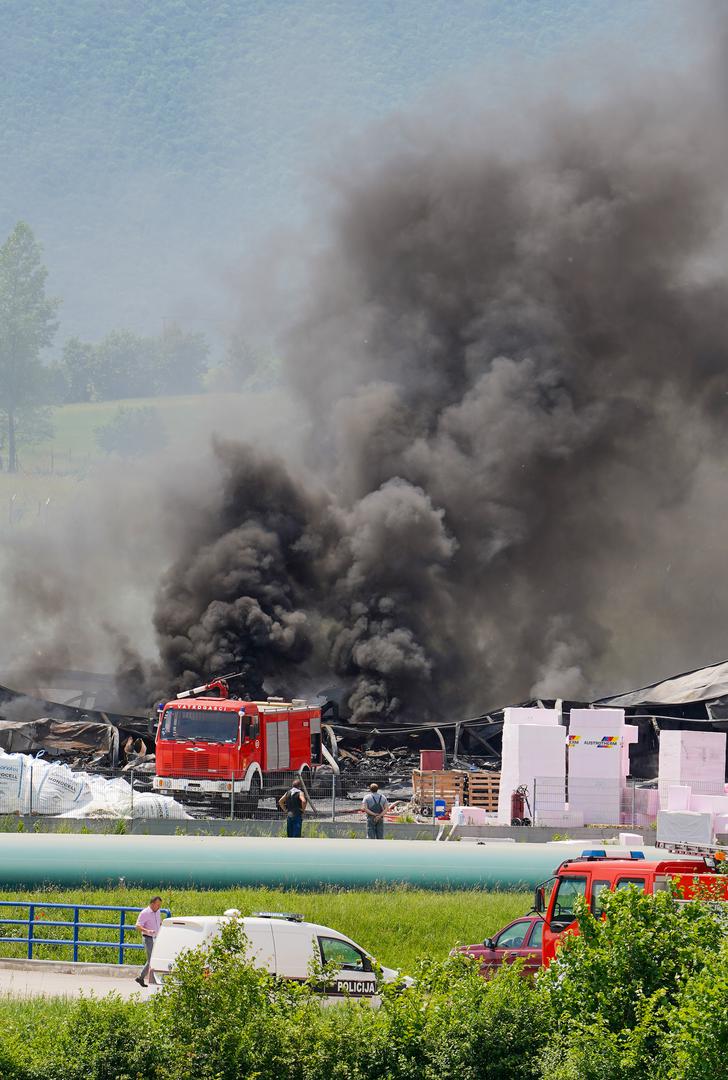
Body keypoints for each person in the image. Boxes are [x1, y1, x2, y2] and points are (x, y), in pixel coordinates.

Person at [134, 895, 164, 987]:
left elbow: (159, 922)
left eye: (160, 905)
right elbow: (137, 926)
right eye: (157, 905)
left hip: (156, 937)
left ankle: (141, 977)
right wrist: (147, 930)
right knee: (151, 959)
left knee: (155, 958)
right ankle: (144, 977)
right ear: (152, 904)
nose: (159, 907)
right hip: (148, 938)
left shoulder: (158, 911)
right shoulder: (145, 913)